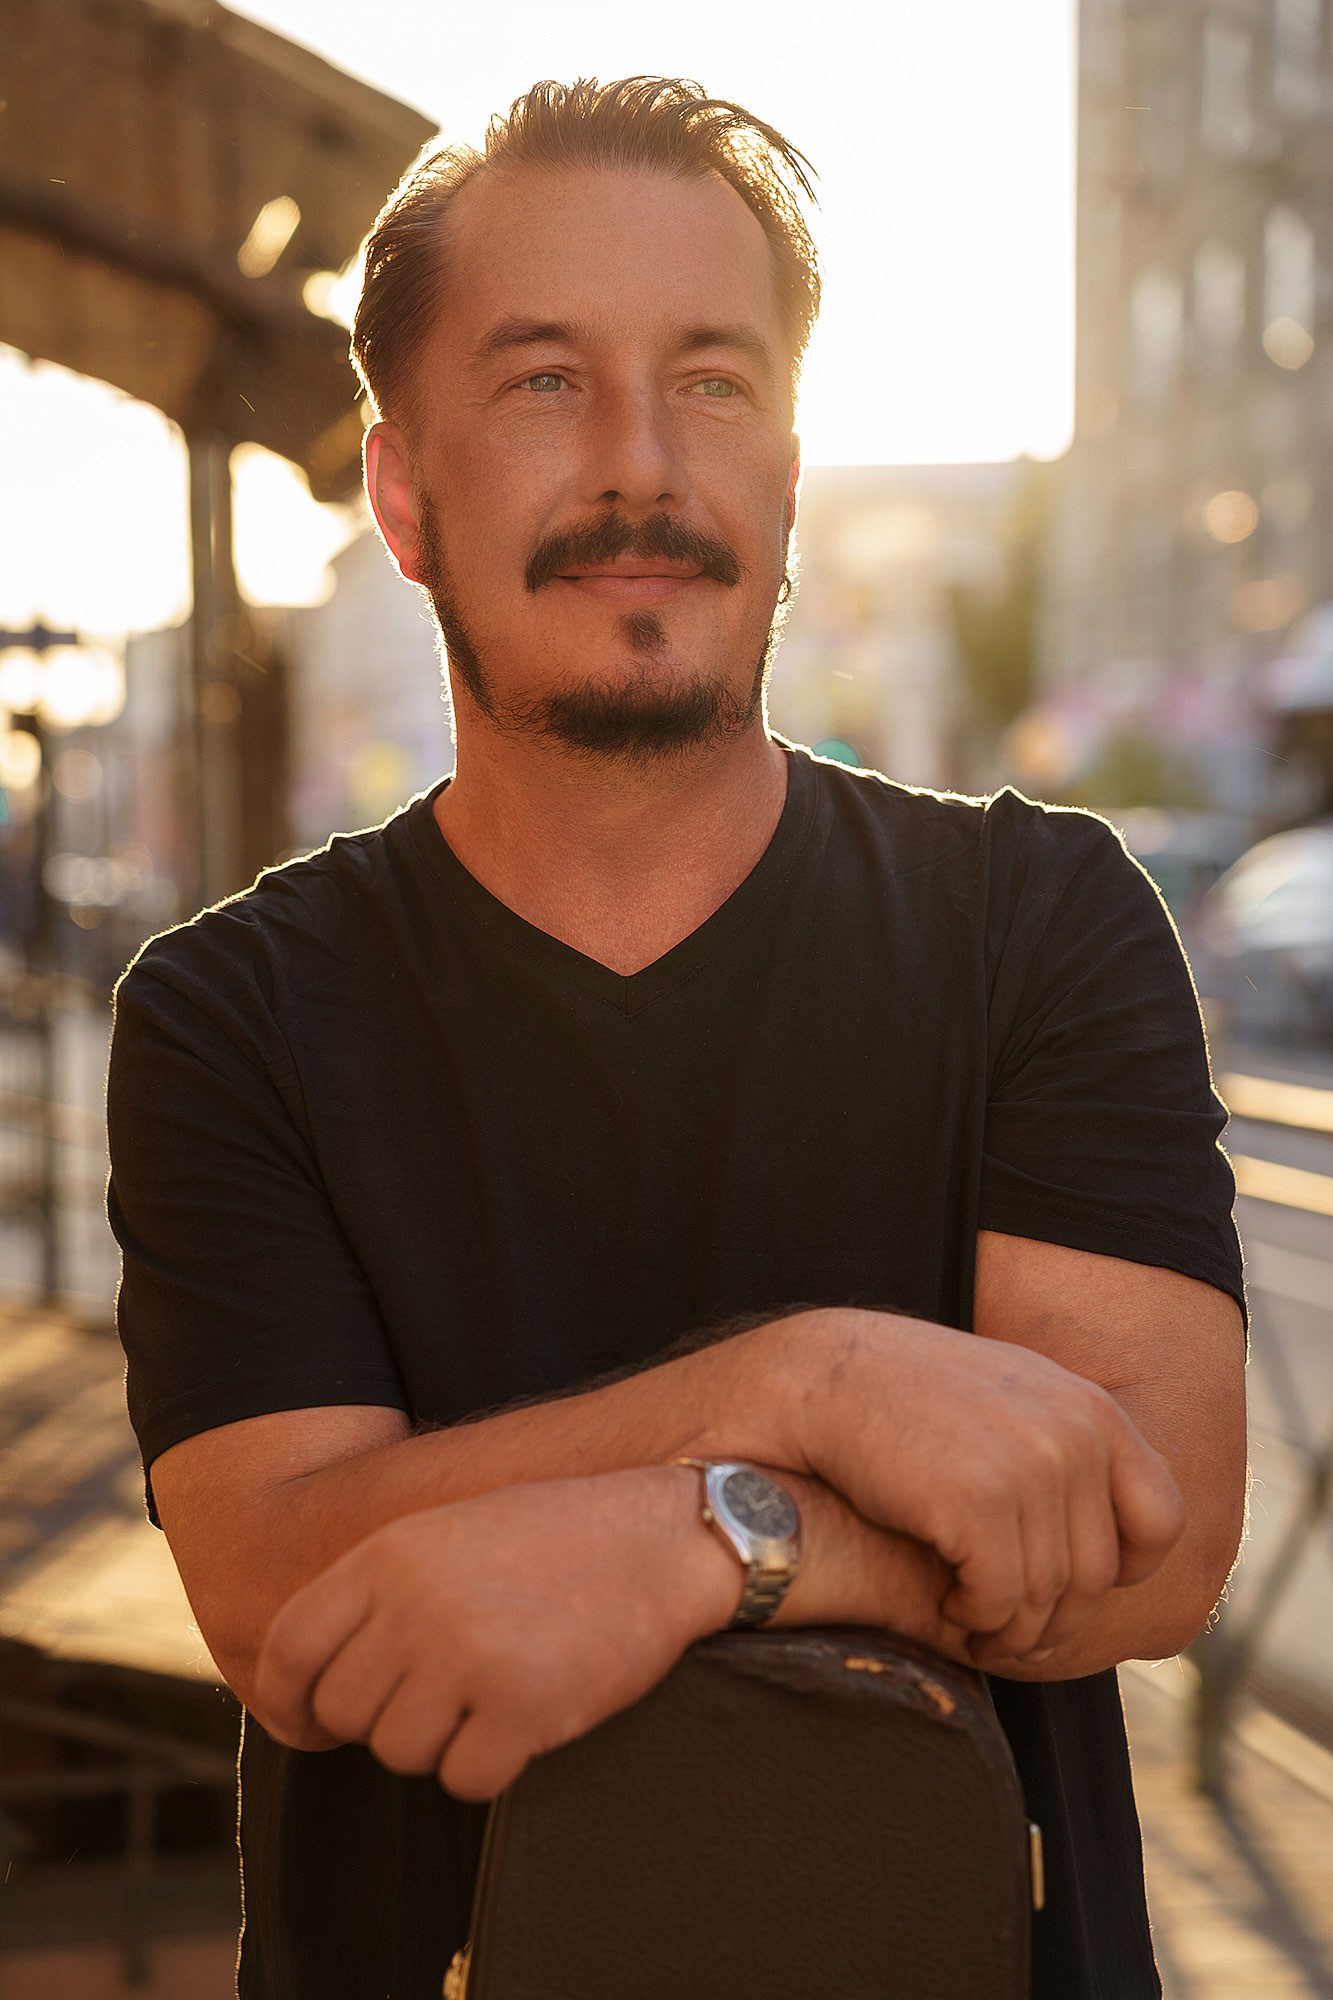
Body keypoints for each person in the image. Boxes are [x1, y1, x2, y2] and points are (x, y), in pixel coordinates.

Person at [107, 77, 1246, 2000]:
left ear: (789, 473)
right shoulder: (233, 1013)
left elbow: (1151, 1535)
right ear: (405, 495)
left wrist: (713, 1538)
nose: (640, 465)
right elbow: (289, 1598)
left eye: (711, 381)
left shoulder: (1035, 921)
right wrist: (803, 1388)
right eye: (545, 381)